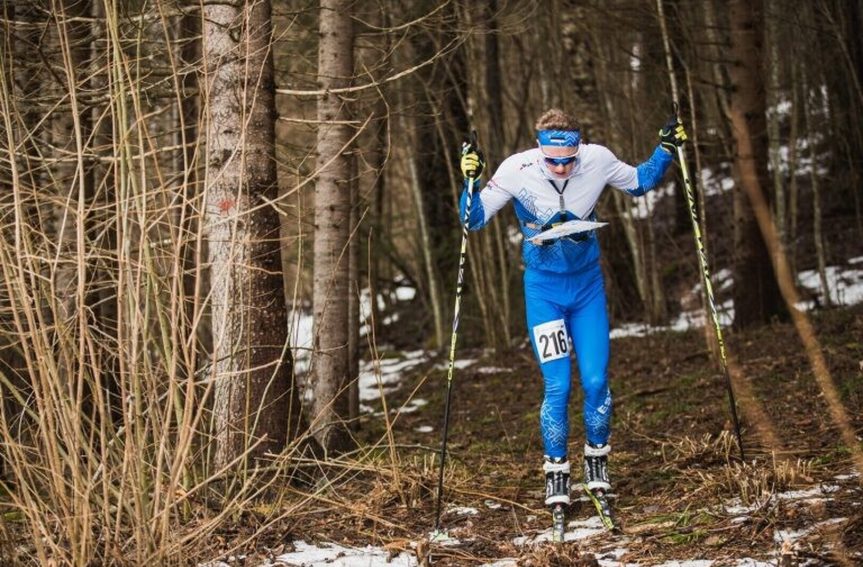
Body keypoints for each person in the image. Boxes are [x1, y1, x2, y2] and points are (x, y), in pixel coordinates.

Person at [457, 108, 686, 515]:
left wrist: (665, 149)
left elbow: (639, 183)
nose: (561, 168)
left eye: (568, 159)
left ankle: (597, 462)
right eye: (553, 161)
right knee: (558, 385)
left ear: (579, 148)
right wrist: (469, 180)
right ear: (539, 150)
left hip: (587, 289)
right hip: (543, 291)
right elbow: (472, 220)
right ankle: (556, 470)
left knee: (596, 380)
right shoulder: (516, 170)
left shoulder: (596, 159)